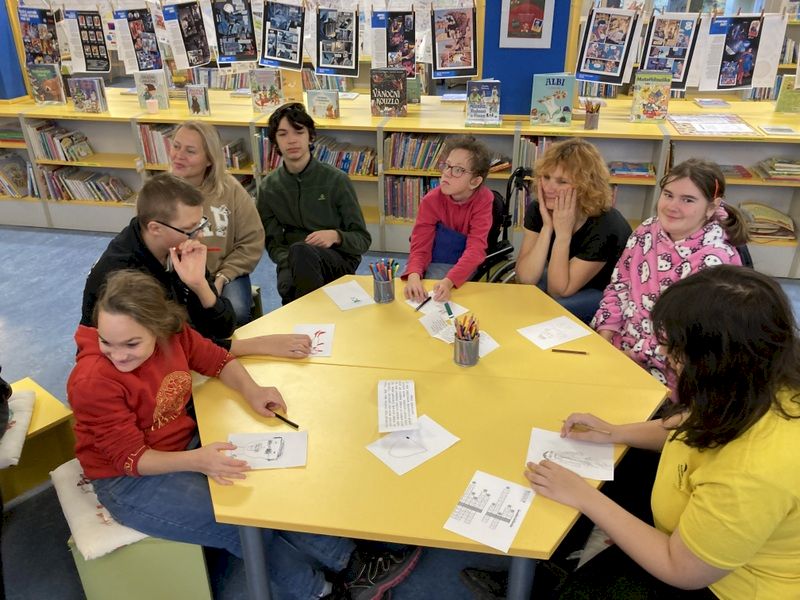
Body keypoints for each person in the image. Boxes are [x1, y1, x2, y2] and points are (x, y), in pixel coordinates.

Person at [69, 270, 421, 600]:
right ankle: (321, 590)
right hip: (129, 482)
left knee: (270, 487)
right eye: (106, 342)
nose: (117, 355)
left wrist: (253, 391)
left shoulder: (174, 335)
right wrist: (198, 460)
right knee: (241, 525)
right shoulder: (93, 381)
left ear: (159, 327)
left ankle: (349, 560)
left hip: (182, 447)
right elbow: (131, 459)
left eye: (131, 344)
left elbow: (218, 360)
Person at [525, 265, 800, 599]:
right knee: (614, 467)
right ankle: (550, 563)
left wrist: (585, 496)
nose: (664, 356)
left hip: (725, 585)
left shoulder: (755, 469)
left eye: (674, 351)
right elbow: (690, 424)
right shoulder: (756, 379)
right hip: (689, 520)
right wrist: (615, 432)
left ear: (714, 365)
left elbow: (682, 569)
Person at [81, 173, 311, 359]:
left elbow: (223, 328)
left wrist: (200, 285)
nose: (200, 235)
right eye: (190, 229)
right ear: (155, 228)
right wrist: (257, 345)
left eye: (200, 224)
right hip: (132, 370)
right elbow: (174, 348)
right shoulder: (125, 275)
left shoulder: (177, 245)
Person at [592, 159, 748, 390]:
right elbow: (619, 286)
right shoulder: (647, 230)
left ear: (711, 207)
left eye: (688, 200)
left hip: (668, 368)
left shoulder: (715, 261)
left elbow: (687, 339)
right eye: (668, 195)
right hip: (620, 346)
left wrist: (628, 357)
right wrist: (604, 337)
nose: (672, 206)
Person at [256, 103, 371, 305]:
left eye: (299, 132)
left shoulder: (336, 180)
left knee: (298, 272)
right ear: (275, 142)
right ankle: (316, 319)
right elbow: (273, 244)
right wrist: (290, 261)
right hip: (292, 260)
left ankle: (310, 319)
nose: (292, 140)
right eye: (283, 134)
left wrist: (336, 236)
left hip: (337, 258)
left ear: (310, 137)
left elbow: (362, 240)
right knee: (294, 270)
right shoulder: (268, 188)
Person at [515, 138, 632, 323]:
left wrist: (563, 234)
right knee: (523, 295)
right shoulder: (539, 209)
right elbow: (525, 278)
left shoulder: (606, 225)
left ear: (585, 187)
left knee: (548, 311)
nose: (548, 188)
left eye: (562, 182)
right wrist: (547, 227)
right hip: (564, 278)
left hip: (606, 296)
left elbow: (559, 290)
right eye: (546, 177)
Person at [169, 121, 265, 326]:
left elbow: (252, 241)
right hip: (177, 276)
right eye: (176, 146)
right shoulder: (160, 192)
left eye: (190, 151)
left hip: (223, 271)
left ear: (209, 160)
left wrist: (223, 277)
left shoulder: (230, 189)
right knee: (173, 321)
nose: (178, 155)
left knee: (235, 312)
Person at [401, 136, 494, 303]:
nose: (446, 173)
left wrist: (449, 281)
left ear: (475, 182)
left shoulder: (484, 199)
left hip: (463, 267)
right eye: (446, 165)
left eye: (458, 170)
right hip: (432, 262)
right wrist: (414, 275)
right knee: (409, 292)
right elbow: (420, 245)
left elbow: (476, 249)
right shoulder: (431, 200)